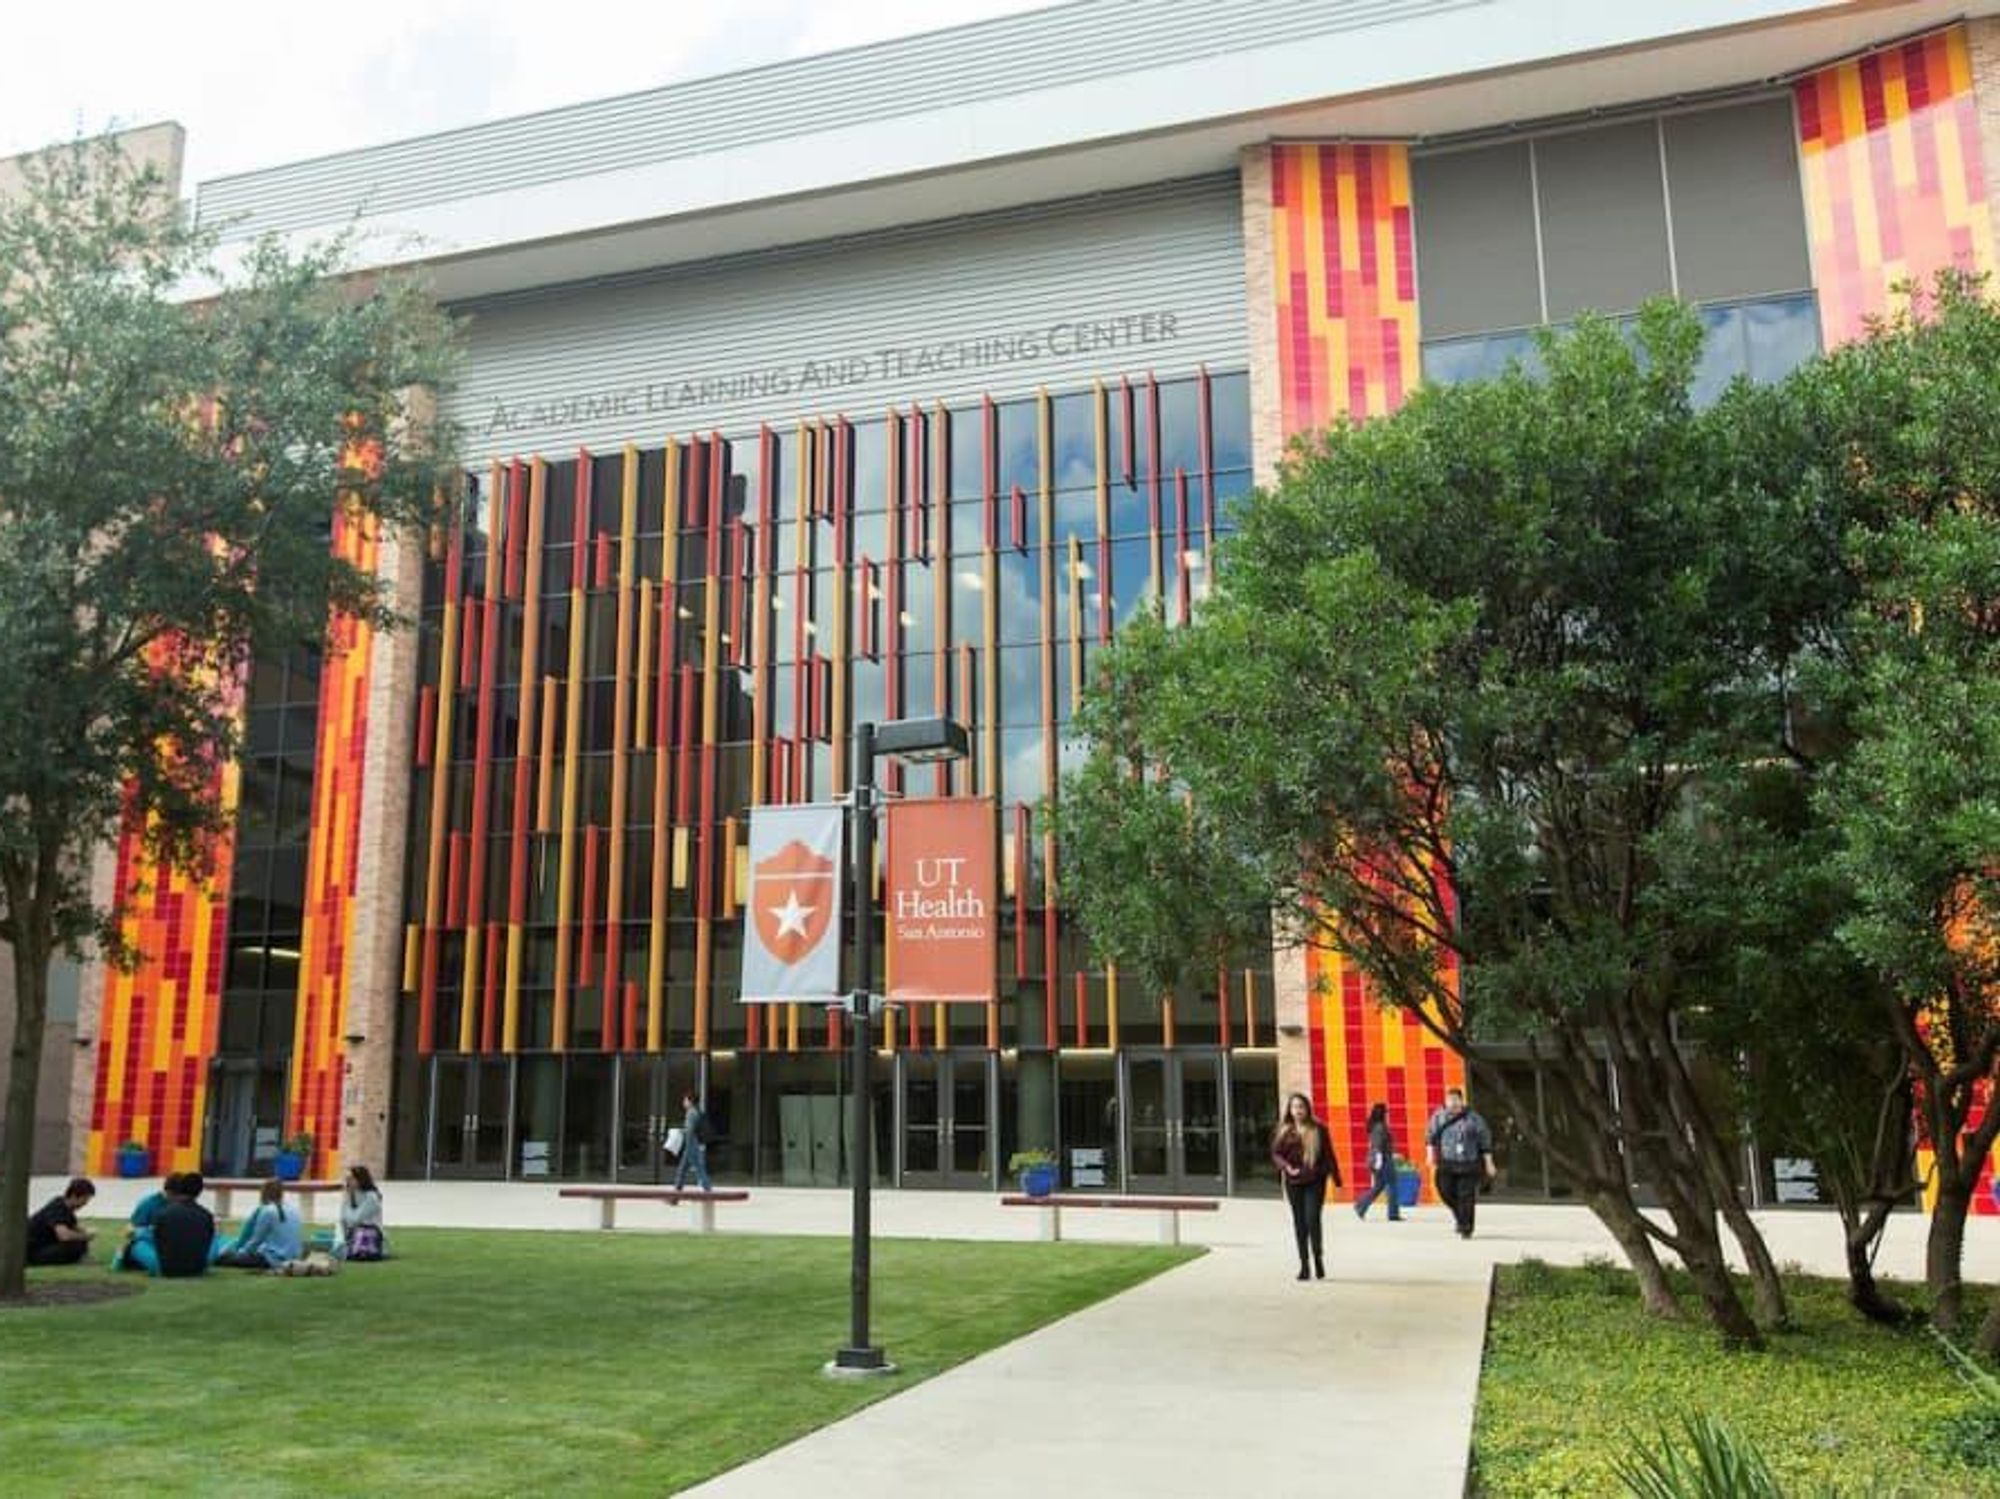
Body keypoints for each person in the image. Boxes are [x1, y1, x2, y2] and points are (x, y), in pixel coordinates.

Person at [1270, 1093, 1342, 1281]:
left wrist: (1337, 1179)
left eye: (1301, 1106)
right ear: (1290, 1110)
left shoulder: (1318, 1129)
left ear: (1307, 1108)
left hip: (1314, 1181)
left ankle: (1318, 1258)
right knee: (1299, 1223)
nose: (1298, 1111)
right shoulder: (1284, 1130)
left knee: (1312, 1219)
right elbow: (1276, 1154)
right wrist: (1286, 1167)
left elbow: (1329, 1154)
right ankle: (1304, 1265)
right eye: (1294, 1107)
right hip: (1293, 1183)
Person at [1425, 1086, 1496, 1239]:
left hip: (1468, 1163)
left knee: (1466, 1196)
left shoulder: (1474, 1118)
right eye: (1450, 1100)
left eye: (1456, 1100)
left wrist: (1489, 1163)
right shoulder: (1439, 1116)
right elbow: (1430, 1136)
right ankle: (1460, 1214)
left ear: (1461, 1101)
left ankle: (1466, 1228)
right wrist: (1430, 1155)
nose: (1453, 1103)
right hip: (1446, 1163)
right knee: (1445, 1191)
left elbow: (1485, 1141)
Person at [214, 1178, 304, 1269]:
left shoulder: (267, 1211)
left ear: (263, 1193)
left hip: (273, 1259)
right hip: (294, 1256)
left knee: (224, 1258)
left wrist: (240, 1253)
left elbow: (255, 1241)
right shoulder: (294, 1210)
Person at [139, 1172, 216, 1277]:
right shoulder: (207, 1215)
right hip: (198, 1268)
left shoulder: (164, 1213)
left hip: (167, 1268)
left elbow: (156, 1240)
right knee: (215, 1241)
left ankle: (121, 1258)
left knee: (138, 1244)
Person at [110, 1172, 181, 1271]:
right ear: (170, 1192)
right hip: (149, 1243)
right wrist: (147, 1232)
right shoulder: (149, 1203)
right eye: (179, 1195)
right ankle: (122, 1256)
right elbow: (130, 1229)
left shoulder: (180, 1205)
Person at [25, 1177, 95, 1266]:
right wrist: (85, 1236)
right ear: (74, 1196)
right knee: (75, 1245)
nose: (84, 1204)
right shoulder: (57, 1208)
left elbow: (73, 1227)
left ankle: (78, 1257)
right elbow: (64, 1236)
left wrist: (85, 1232)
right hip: (34, 1251)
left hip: (44, 1245)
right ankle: (76, 1259)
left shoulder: (64, 1206)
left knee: (79, 1242)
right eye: (84, 1200)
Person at [1353, 1101, 1404, 1222]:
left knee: (1379, 1186)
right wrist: (1381, 1160)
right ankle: (1393, 1214)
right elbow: (1378, 1145)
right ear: (1382, 1113)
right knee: (1393, 1185)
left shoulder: (1376, 1126)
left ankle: (1361, 1205)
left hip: (1380, 1159)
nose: (1388, 1115)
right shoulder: (1380, 1127)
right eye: (1386, 1112)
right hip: (1384, 1161)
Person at [334, 1164, 387, 1261]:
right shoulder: (349, 1194)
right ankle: (342, 1247)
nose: (347, 1182)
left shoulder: (371, 1198)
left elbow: (355, 1220)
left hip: (370, 1235)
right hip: (352, 1234)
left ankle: (348, 1249)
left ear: (360, 1179)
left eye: (350, 1179)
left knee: (356, 1231)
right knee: (339, 1228)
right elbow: (341, 1219)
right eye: (346, 1179)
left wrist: (347, 1202)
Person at [671, 1090, 713, 1192]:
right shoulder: (697, 1111)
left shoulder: (691, 1112)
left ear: (690, 1101)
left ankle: (708, 1191)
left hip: (692, 1144)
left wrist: (681, 1132)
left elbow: (690, 1130)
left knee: (699, 1169)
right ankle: (675, 1195)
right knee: (682, 1170)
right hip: (693, 1144)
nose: (683, 1102)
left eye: (685, 1100)